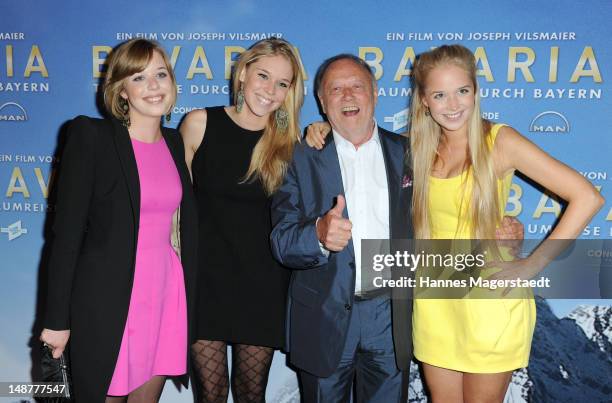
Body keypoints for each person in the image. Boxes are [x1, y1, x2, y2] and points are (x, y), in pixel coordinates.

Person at [408, 44, 604, 402]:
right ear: (423, 101)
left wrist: (532, 264)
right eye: (440, 94)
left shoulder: (499, 141)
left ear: (476, 91)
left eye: (462, 91)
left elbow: (588, 197)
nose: (453, 105)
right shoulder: (418, 149)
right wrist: (319, 130)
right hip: (435, 304)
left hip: (488, 302)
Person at [39, 39, 198, 403]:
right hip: (109, 301)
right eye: (139, 78)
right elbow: (66, 237)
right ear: (121, 91)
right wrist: (56, 321)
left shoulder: (174, 144)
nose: (154, 86)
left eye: (161, 74)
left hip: (165, 294)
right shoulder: (92, 137)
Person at [270, 54, 414, 403]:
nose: (347, 96)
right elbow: (281, 241)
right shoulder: (297, 157)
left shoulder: (412, 154)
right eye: (336, 89)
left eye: (357, 87)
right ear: (322, 101)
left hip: (391, 319)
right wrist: (318, 234)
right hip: (324, 317)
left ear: (375, 94)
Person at [179, 37, 304, 403]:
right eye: (263, 76)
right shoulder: (199, 124)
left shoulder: (290, 143)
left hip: (262, 283)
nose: (270, 90)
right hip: (205, 280)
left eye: (282, 83)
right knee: (211, 393)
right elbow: (176, 209)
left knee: (252, 393)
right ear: (244, 72)